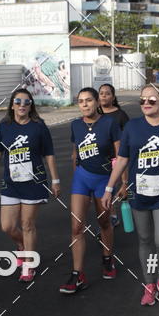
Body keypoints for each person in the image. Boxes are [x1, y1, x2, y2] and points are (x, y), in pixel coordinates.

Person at [102, 83, 159, 308]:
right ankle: (150, 284)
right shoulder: (132, 127)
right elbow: (122, 159)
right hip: (138, 193)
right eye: (142, 100)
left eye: (152, 100)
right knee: (144, 239)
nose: (146, 104)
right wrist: (109, 188)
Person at [0, 88, 60, 283]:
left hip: (33, 183)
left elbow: (49, 154)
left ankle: (28, 265)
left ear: (31, 106)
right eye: (18, 101)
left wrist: (55, 180)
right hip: (11, 183)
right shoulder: (5, 126)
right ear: (12, 105)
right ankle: (21, 246)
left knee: (27, 224)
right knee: (7, 226)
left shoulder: (39, 126)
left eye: (26, 102)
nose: (22, 105)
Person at [60, 87, 121, 294]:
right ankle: (78, 274)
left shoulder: (109, 123)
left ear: (96, 102)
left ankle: (107, 258)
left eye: (88, 100)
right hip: (82, 179)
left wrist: (121, 183)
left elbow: (119, 156)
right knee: (77, 227)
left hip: (103, 179)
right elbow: (75, 153)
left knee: (104, 221)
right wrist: (76, 171)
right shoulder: (75, 125)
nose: (84, 104)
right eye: (81, 101)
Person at [98, 83, 129, 228]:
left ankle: (112, 216)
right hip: (99, 157)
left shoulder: (120, 115)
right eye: (101, 93)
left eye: (107, 93)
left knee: (111, 187)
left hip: (117, 157)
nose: (104, 95)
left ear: (113, 97)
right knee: (105, 188)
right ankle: (112, 216)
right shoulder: (95, 113)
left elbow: (129, 135)